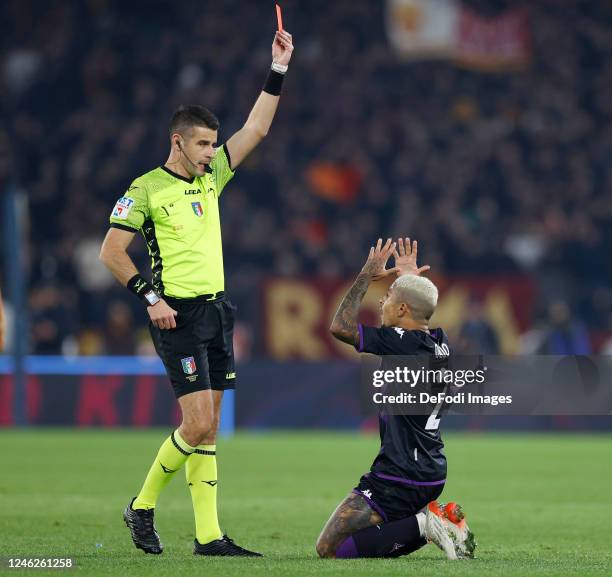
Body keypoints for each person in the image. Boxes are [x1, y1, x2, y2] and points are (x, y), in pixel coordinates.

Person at [99, 28, 294, 557]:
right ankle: (141, 506)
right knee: (199, 423)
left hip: (215, 310)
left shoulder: (212, 179)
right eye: (203, 144)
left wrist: (276, 69)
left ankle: (208, 537)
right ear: (177, 142)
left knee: (207, 432)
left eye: (214, 143)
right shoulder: (145, 189)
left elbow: (257, 127)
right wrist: (150, 297)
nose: (212, 152)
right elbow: (111, 253)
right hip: (174, 315)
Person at [315, 238, 476, 560]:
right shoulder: (438, 342)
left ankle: (428, 524)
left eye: (387, 297)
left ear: (402, 309)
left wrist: (365, 276)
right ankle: (428, 523)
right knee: (354, 542)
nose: (381, 302)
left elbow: (340, 328)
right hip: (428, 469)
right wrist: (410, 281)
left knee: (329, 549)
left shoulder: (402, 343)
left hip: (400, 474)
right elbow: (421, 306)